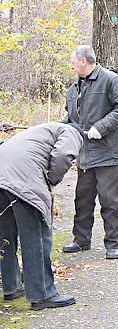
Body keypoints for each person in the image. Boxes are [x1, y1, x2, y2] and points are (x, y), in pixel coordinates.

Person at [0, 122, 83, 310]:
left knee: (4, 235)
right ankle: (42, 294)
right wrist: (52, 180)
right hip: (22, 180)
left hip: (2, 175)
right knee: (36, 236)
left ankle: (11, 287)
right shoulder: (71, 132)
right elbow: (63, 155)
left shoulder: (38, 131)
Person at [62, 45, 118, 260]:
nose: (72, 65)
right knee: (82, 200)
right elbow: (72, 118)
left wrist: (100, 128)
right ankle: (81, 240)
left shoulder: (110, 80)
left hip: (109, 154)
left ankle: (113, 243)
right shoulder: (75, 87)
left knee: (109, 201)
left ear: (84, 61)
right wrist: (58, 128)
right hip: (85, 154)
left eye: (73, 61)